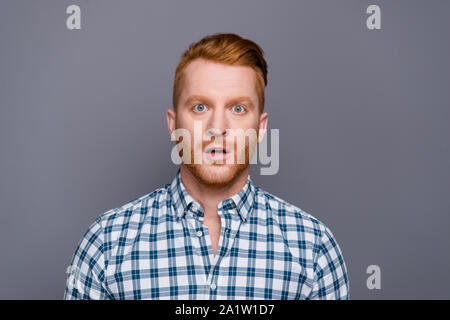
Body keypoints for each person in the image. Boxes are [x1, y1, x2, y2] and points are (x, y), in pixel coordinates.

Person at [64, 33, 349, 300]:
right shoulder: (106, 243)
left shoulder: (313, 248)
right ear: (174, 124)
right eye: (200, 107)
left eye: (238, 109)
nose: (217, 128)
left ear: (260, 129)